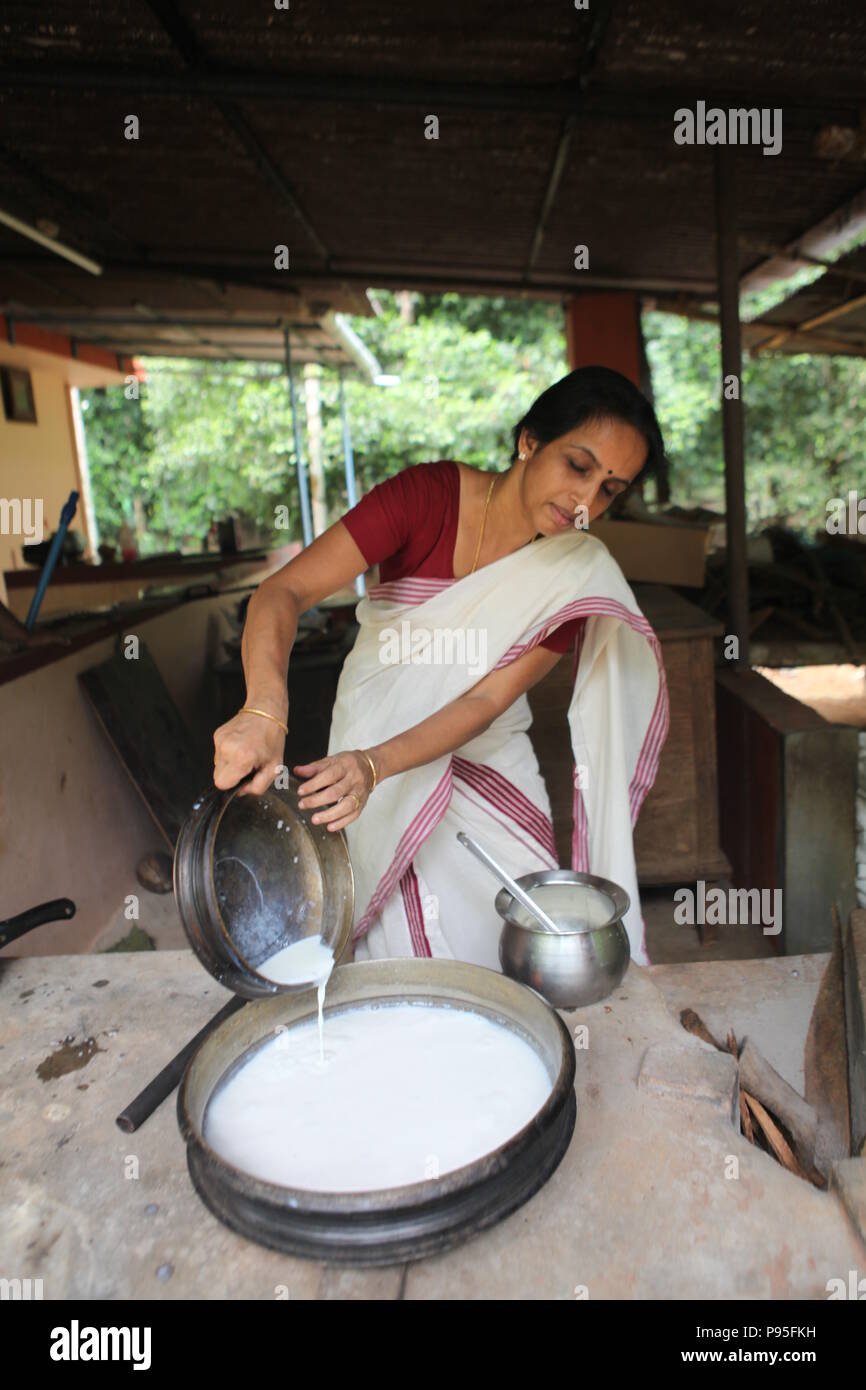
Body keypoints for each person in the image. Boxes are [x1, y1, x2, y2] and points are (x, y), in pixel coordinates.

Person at [213, 366, 669, 967]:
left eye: (610, 489)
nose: (585, 503)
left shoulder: (573, 573)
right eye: (578, 466)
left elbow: (482, 704)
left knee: (522, 933)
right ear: (529, 441)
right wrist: (264, 708)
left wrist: (376, 766)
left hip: (483, 753)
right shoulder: (424, 498)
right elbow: (282, 593)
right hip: (377, 727)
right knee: (395, 959)